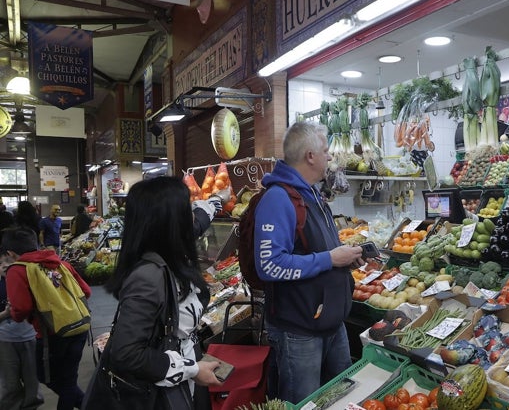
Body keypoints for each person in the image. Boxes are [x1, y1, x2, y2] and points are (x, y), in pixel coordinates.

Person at [253, 121, 364, 404]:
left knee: (341, 398)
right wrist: (329, 258)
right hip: (300, 331)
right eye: (325, 151)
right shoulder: (278, 199)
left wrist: (343, 259)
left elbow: (313, 248)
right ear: (310, 156)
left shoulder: (313, 194)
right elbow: (269, 265)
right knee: (303, 403)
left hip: (331, 322)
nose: (330, 157)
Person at [95, 176, 222, 408]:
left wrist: (215, 202)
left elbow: (197, 224)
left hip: (183, 381)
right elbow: (126, 353)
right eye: (187, 210)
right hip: (159, 397)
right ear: (171, 222)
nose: (192, 216)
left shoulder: (168, 252)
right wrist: (192, 370)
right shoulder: (149, 277)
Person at [2, 226, 91, 410]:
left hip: (51, 334)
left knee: (47, 376)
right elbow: (86, 292)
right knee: (68, 378)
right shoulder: (61, 263)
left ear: (10, 252)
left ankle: (89, 404)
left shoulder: (17, 270)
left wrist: (13, 313)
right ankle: (87, 403)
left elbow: (21, 309)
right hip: (80, 326)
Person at [0, 235, 44, 410]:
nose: (4, 265)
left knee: (32, 379)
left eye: (7, 261)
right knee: (10, 383)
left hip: (30, 336)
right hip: (5, 340)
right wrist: (5, 313)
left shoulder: (27, 278)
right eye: (0, 263)